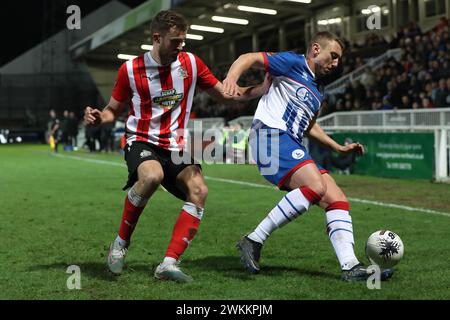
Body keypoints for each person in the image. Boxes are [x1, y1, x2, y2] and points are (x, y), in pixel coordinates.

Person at [84, 10, 269, 283]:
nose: (181, 46)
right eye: (175, 41)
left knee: (199, 190)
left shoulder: (191, 64)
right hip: (142, 139)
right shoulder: (131, 70)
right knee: (151, 176)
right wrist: (100, 118)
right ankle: (120, 244)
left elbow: (227, 96)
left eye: (184, 40)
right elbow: (113, 110)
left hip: (176, 144)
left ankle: (168, 264)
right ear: (156, 38)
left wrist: (262, 88)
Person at [223, 31, 394, 282]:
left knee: (336, 198)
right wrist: (231, 77)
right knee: (315, 185)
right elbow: (248, 57)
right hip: (269, 137)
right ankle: (253, 240)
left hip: (289, 142)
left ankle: (350, 266)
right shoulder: (293, 63)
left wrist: (337, 147)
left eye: (338, 59)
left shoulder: (318, 90)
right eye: (332, 56)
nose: (336, 63)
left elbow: (310, 125)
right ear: (316, 49)